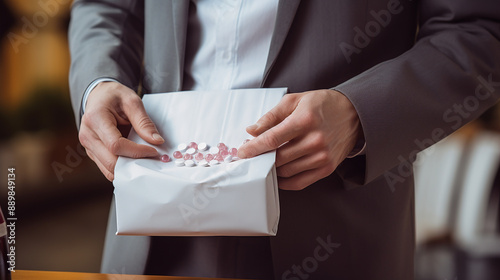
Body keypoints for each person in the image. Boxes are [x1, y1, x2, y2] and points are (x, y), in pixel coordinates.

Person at [68, 0, 500, 279]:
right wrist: (96, 84)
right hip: (152, 230)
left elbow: (480, 30)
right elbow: (104, 7)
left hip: (330, 225)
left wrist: (357, 113)